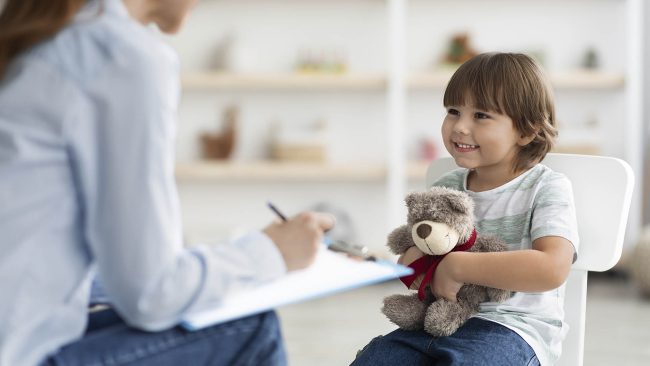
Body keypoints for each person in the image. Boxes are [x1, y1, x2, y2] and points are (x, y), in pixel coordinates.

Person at [0, 1, 335, 365]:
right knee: (252, 328)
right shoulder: (123, 56)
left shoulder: (39, 37)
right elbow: (151, 295)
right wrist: (272, 253)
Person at [352, 52, 579, 366]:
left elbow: (552, 268)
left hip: (514, 330)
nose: (459, 126)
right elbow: (426, 250)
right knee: (376, 358)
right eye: (453, 111)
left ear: (526, 131)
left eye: (481, 115)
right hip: (438, 323)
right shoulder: (449, 185)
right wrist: (415, 263)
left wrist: (458, 266)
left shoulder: (546, 187)